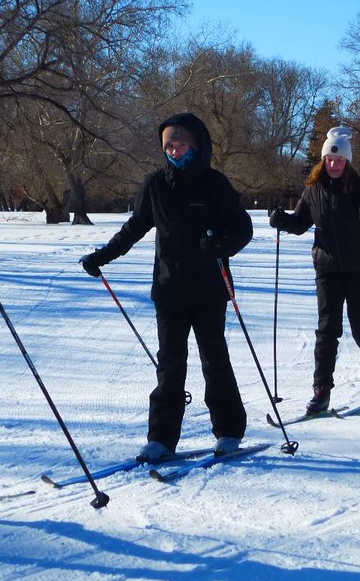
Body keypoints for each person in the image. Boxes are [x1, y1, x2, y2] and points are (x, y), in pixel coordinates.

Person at [79, 113, 253, 463]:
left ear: (197, 145)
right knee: (170, 365)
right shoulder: (156, 184)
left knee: (214, 360)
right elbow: (135, 227)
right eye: (169, 146)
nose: (175, 151)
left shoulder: (215, 184)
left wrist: (222, 244)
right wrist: (102, 256)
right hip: (169, 290)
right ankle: (160, 439)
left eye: (181, 144)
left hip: (209, 290)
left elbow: (242, 228)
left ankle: (229, 430)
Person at [269, 126, 360, 415]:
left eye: (339, 160)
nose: (334, 164)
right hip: (327, 269)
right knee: (327, 330)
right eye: (329, 159)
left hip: (359, 267)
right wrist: (283, 221)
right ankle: (321, 389)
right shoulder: (313, 190)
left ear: (347, 161)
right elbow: (301, 222)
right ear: (323, 160)